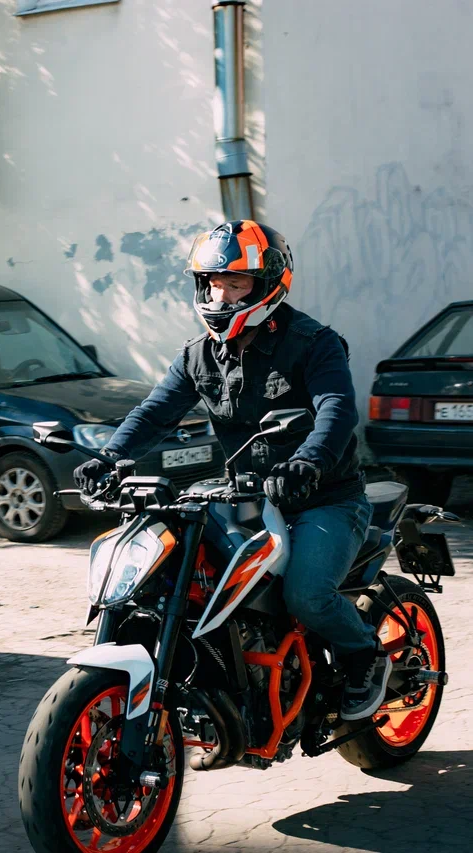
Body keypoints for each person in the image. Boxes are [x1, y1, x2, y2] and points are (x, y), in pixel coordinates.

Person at [72, 220, 388, 720]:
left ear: (267, 285)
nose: (221, 296)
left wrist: (307, 462)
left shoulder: (314, 343)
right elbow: (154, 413)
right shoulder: (198, 355)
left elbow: (336, 410)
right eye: (213, 283)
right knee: (183, 577)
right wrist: (109, 457)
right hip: (245, 497)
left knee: (306, 595)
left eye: (235, 284)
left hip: (323, 498)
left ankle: (364, 655)